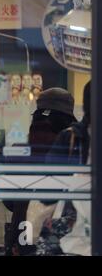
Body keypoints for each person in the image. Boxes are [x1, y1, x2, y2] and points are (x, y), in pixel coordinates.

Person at [3, 87, 77, 256]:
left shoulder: (18, 151)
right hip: (60, 239)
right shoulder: (76, 148)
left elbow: (9, 201)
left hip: (22, 235)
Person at [34, 81, 92, 256]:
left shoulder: (70, 136)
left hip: (72, 236)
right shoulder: (71, 136)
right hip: (76, 234)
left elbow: (46, 192)